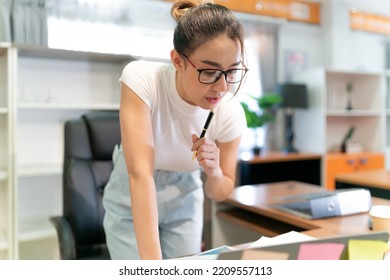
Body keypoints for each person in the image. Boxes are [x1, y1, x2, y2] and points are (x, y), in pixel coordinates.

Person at [102, 0, 248, 260]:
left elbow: (221, 190)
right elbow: (140, 175)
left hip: (185, 199)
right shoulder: (143, 80)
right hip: (131, 195)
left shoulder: (230, 112)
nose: (222, 87)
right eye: (209, 71)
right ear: (178, 60)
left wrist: (213, 171)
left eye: (232, 71)